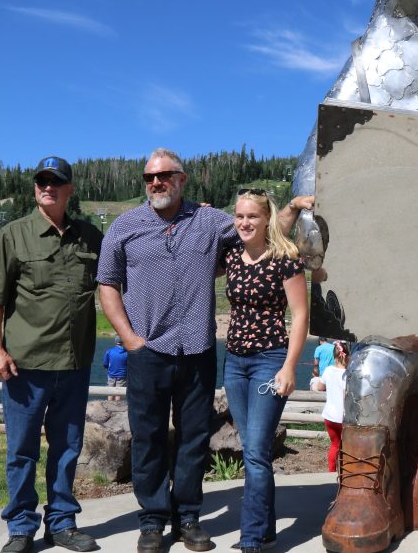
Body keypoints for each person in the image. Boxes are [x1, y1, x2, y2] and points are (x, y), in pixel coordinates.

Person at [96, 148, 309, 553]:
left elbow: (261, 231)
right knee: (148, 436)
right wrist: (129, 339)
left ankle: (188, 516)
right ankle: (154, 519)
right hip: (148, 350)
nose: (155, 183)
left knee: (194, 437)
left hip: (196, 350)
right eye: (149, 178)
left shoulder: (211, 221)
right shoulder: (123, 227)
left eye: (164, 175)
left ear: (182, 179)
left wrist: (295, 208)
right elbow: (107, 283)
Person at [0, 156, 102, 553]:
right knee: (22, 450)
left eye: (56, 182)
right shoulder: (14, 235)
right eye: (41, 181)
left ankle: (62, 523)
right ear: (35, 188)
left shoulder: (90, 237)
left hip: (75, 363)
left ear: (69, 190)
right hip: (24, 365)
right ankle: (20, 525)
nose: (47, 187)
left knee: (68, 448)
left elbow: (123, 275)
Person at [222, 189, 308, 553]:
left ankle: (252, 537)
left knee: (256, 451)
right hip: (234, 363)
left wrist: (290, 367)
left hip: (269, 361)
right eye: (239, 216)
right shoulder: (231, 257)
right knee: (251, 448)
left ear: (266, 220)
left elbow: (300, 315)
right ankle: (266, 527)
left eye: (252, 217)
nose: (244, 223)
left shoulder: (285, 259)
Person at [315, 340, 349, 473]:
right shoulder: (349, 374)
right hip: (344, 418)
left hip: (329, 416)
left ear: (335, 356)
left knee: (335, 445)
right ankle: (346, 472)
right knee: (347, 447)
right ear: (348, 356)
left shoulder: (328, 370)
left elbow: (320, 387)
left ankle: (331, 472)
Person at [103, 335, 128, 401]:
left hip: (111, 375)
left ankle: (109, 406)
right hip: (122, 376)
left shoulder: (109, 351)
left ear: (115, 342)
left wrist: (107, 369)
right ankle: (117, 408)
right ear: (123, 342)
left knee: (110, 392)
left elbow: (105, 364)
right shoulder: (127, 353)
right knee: (119, 393)